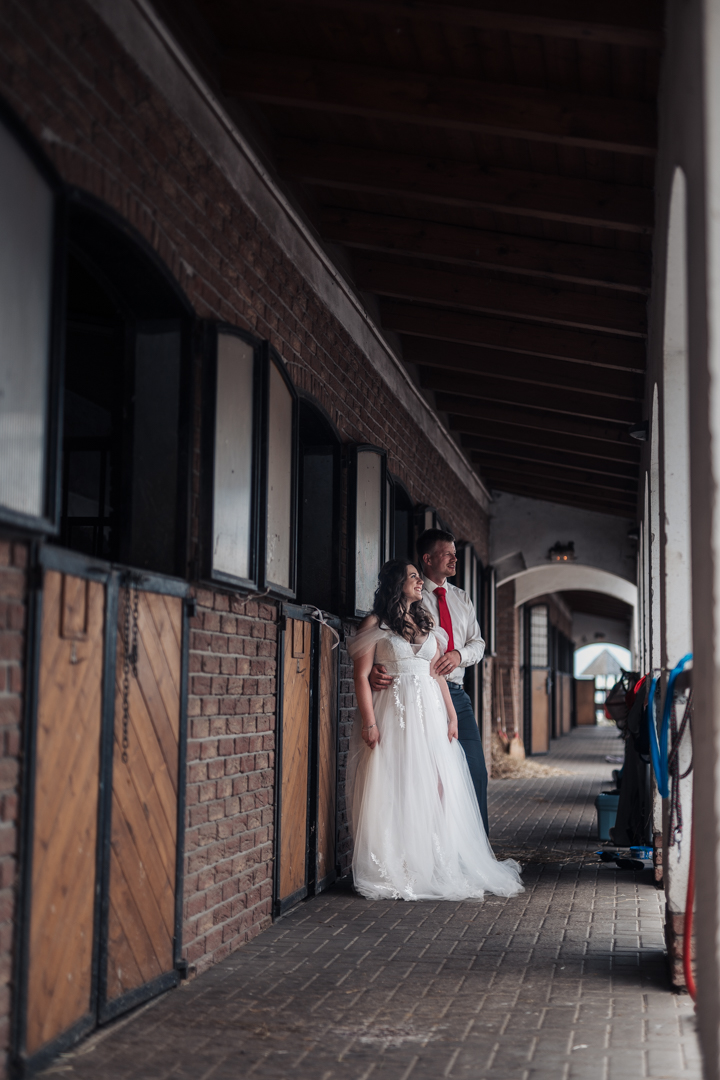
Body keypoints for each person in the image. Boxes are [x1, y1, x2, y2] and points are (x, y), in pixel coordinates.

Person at [347, 559, 523, 902]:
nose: (419, 582)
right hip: (394, 714)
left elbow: (437, 673)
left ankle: (434, 860)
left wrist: (452, 716)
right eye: (413, 576)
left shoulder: (425, 620)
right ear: (396, 583)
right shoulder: (375, 623)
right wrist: (369, 722)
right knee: (396, 782)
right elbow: (360, 676)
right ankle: (398, 864)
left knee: (436, 784)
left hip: (431, 713)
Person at [370, 529, 490, 833]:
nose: (454, 559)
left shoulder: (462, 598)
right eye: (447, 553)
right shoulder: (412, 597)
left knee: (475, 772)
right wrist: (375, 669)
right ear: (428, 558)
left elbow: (478, 643)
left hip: (455, 693)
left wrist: (459, 655)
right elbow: (387, 640)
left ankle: (475, 847)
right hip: (418, 698)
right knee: (427, 776)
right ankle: (432, 843)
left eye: (455, 554)